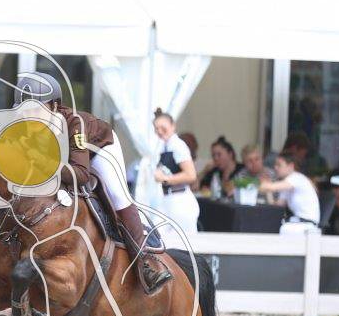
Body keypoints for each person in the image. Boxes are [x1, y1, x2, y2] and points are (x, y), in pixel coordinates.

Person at [14, 72, 171, 294]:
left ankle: (145, 262)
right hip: (67, 162)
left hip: (99, 151)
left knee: (118, 195)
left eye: (36, 110)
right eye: (25, 111)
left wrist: (43, 163)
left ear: (54, 106)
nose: (30, 117)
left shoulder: (74, 124)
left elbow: (81, 174)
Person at [151, 109, 200, 250]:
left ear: (173, 126)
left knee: (186, 245)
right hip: (167, 200)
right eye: (156, 129)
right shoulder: (163, 147)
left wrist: (165, 178)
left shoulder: (178, 146)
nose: (160, 131)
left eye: (163, 127)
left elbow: (191, 175)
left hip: (180, 200)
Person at [258, 149, 320, 231]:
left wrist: (263, 184)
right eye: (275, 165)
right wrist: (268, 190)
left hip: (307, 224)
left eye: (279, 165)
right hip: (299, 222)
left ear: (290, 166)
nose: (275, 168)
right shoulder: (288, 184)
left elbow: (269, 187)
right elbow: (277, 207)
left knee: (278, 228)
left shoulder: (296, 177)